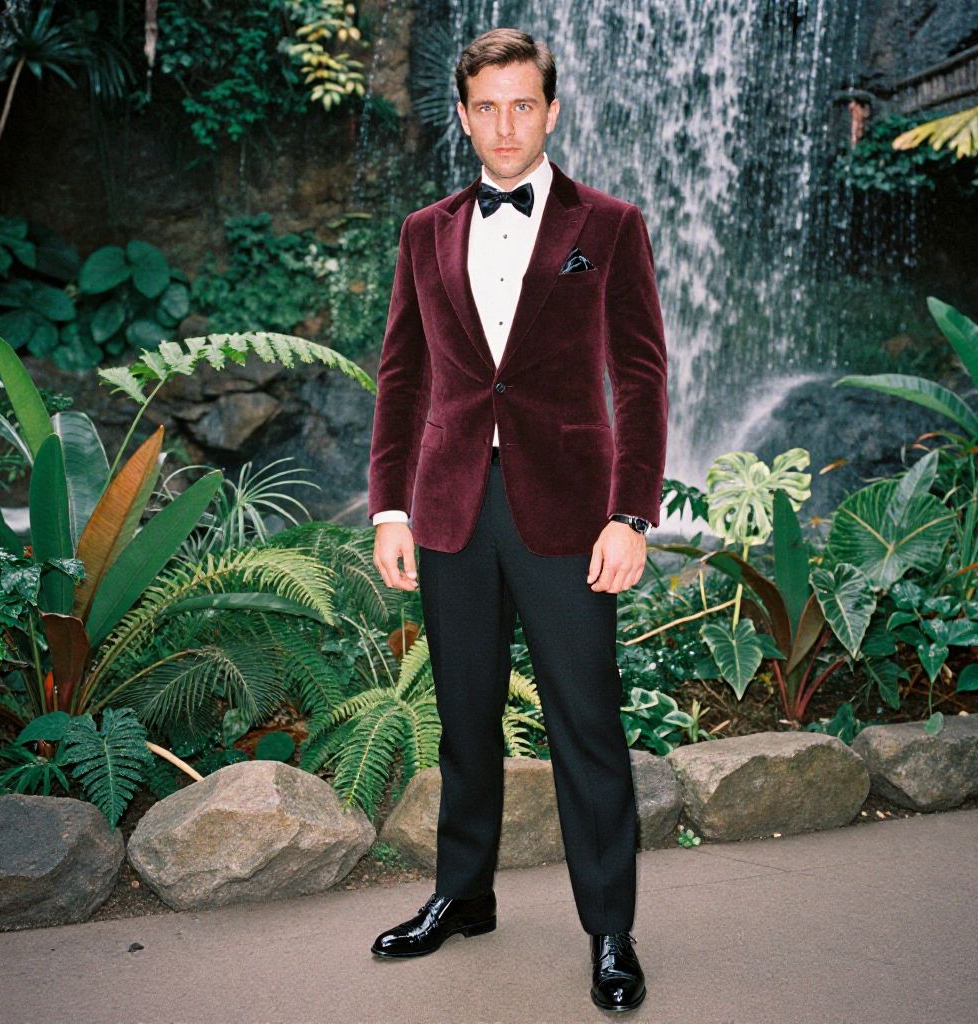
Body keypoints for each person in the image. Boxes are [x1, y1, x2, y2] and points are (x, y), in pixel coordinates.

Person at [365, 26, 668, 1014]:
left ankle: (610, 929)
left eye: (521, 105)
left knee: (586, 722)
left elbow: (641, 375)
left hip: (570, 513)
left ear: (551, 109)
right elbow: (403, 376)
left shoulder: (610, 226)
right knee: (463, 718)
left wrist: (631, 513)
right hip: (451, 505)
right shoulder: (424, 231)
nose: (504, 124)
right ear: (462, 116)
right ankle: (462, 892)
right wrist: (391, 507)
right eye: (485, 106)